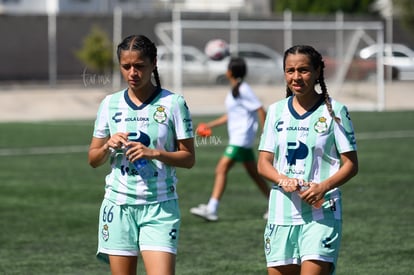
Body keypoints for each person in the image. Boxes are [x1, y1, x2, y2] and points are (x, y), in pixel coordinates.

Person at [87, 34, 195, 275]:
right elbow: (93, 159)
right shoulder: (109, 104)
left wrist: (155, 153)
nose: (132, 72)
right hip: (118, 206)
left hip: (160, 207)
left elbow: (188, 158)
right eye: (126, 66)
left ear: (153, 63)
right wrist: (107, 147)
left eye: (139, 66)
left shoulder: (174, 103)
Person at [257, 44, 358, 275]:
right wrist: (282, 179)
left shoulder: (335, 111)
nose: (296, 77)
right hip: (281, 213)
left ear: (317, 72)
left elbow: (351, 164)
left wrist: (323, 187)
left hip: (321, 213)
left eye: (303, 70)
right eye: (290, 70)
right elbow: (263, 163)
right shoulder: (275, 111)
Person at [190, 56, 270, 222]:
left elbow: (260, 109)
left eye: (227, 68)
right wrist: (210, 125)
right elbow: (232, 115)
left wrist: (267, 133)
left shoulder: (244, 89)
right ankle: (275, 204)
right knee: (255, 174)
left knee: (221, 168)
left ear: (231, 71)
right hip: (239, 139)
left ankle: (212, 208)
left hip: (241, 139)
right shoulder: (236, 88)